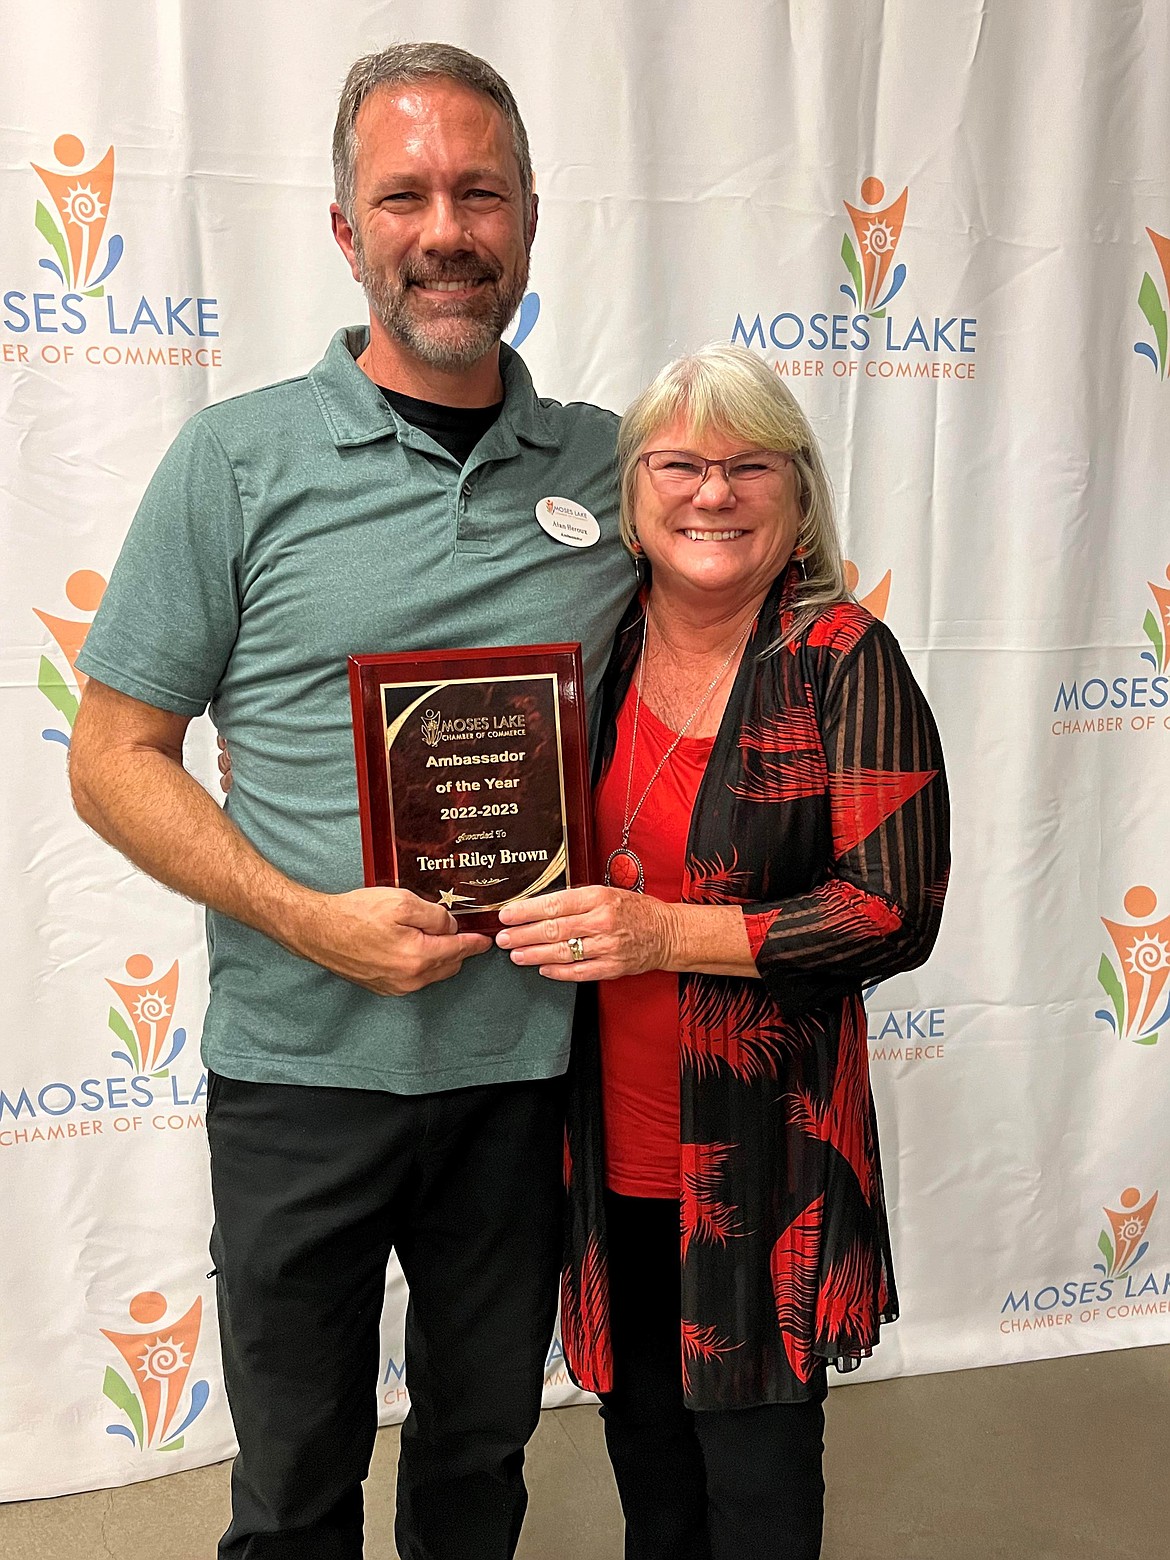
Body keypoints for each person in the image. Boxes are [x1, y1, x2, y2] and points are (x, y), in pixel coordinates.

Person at [68, 42, 634, 1560]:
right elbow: (111, 756)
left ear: (527, 221)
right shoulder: (235, 462)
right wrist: (306, 917)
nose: (444, 227)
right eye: (404, 195)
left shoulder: (617, 470)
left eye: (479, 192)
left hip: (522, 1074)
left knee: (478, 1460)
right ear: (344, 230)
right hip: (298, 1070)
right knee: (295, 1482)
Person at [495, 344, 950, 1560]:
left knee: (755, 1499)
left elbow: (895, 908)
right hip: (602, 1148)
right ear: (630, 493)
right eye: (681, 464)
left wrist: (670, 934)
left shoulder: (842, 657)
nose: (713, 493)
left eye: (750, 465)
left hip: (767, 1160)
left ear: (797, 496)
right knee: (651, 1481)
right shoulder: (591, 647)